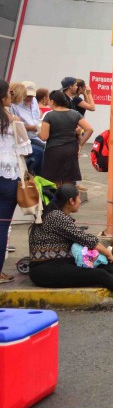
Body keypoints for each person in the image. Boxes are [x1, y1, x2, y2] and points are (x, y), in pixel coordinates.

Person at [0, 79, 30, 283]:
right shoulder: (14, 121)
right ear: (4, 97)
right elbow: (26, 150)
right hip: (8, 177)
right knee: (2, 226)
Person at [38, 90, 92, 186]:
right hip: (71, 150)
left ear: (53, 102)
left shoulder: (49, 116)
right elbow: (89, 129)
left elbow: (44, 137)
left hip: (54, 151)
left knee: (55, 182)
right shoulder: (75, 114)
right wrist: (80, 144)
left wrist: (37, 132)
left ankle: (58, 200)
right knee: (69, 182)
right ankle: (69, 200)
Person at [11, 81, 44, 175]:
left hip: (35, 135)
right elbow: (15, 126)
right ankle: (32, 176)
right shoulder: (14, 104)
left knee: (49, 149)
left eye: (31, 96)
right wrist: (32, 127)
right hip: (23, 137)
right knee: (40, 152)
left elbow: (37, 117)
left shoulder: (34, 102)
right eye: (27, 95)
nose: (29, 98)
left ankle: (44, 179)